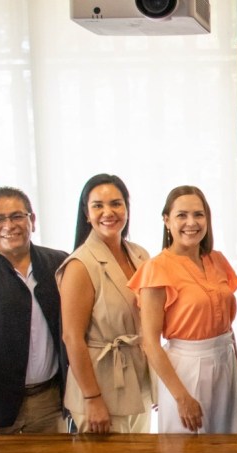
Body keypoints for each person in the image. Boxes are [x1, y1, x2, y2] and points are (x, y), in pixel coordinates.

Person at [129, 185, 237, 453]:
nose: (191, 223)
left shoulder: (217, 261)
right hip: (186, 370)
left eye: (198, 214)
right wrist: (180, 396)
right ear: (166, 220)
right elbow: (150, 342)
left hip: (226, 364)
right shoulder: (157, 269)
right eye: (182, 215)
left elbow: (228, 327)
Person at [0, 186, 68, 453]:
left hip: (50, 402)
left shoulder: (59, 262)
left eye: (17, 216)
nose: (9, 225)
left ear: (32, 220)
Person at [57, 174, 153, 434]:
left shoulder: (140, 255)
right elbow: (72, 338)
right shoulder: (80, 265)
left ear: (127, 209)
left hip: (139, 382)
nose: (108, 212)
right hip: (100, 387)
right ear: (87, 214)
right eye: (98, 205)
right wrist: (92, 398)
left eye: (116, 203)